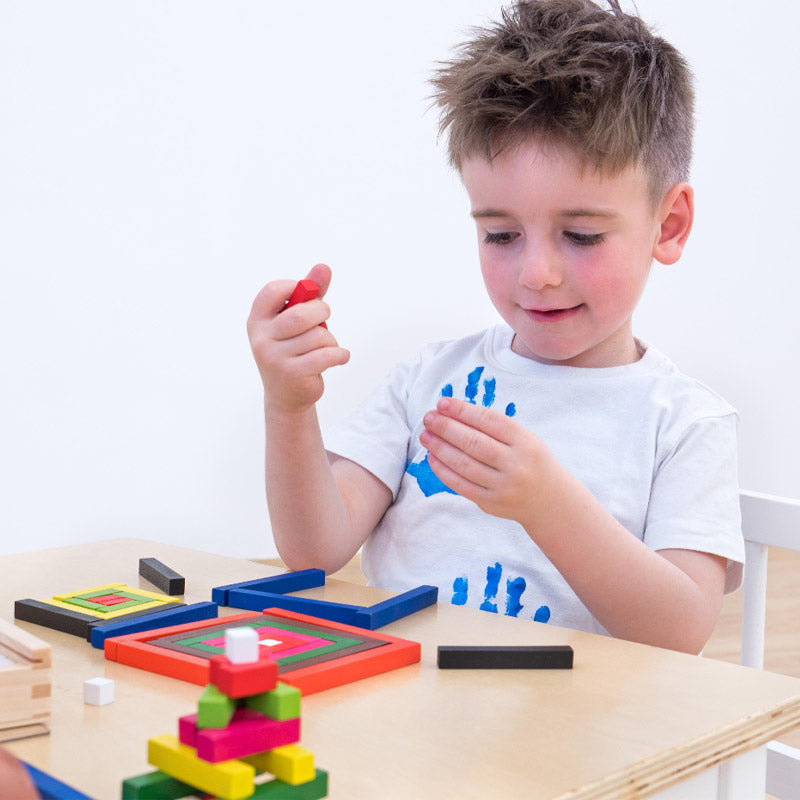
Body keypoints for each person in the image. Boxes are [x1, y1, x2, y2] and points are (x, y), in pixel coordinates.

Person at [247, 0, 744, 654]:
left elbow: (680, 632)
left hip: (575, 742)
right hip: (409, 722)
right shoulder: (428, 380)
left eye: (581, 234)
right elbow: (315, 549)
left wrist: (545, 502)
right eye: (501, 233)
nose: (536, 272)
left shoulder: (683, 424)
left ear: (669, 225)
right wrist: (287, 407)